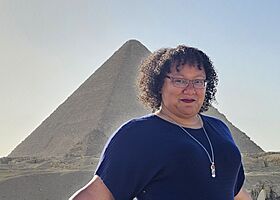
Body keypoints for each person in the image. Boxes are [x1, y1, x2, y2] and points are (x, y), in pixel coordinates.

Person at [70, 45, 252, 200]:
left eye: (198, 81)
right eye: (179, 81)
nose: (190, 90)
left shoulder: (220, 129)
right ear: (158, 85)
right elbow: (95, 195)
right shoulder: (138, 135)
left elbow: (234, 192)